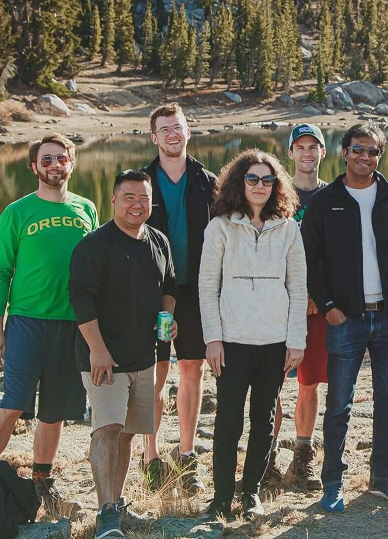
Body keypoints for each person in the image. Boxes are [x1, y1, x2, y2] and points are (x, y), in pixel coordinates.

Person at [0, 133, 97, 514]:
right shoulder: (17, 212)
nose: (55, 165)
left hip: (72, 325)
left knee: (54, 410)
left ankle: (43, 482)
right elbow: (0, 272)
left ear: (71, 163)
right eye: (47, 159)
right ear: (33, 167)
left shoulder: (87, 209)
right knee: (13, 402)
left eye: (61, 158)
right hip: (27, 322)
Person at [301, 123, 388, 513]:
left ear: (379, 156)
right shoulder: (325, 201)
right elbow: (310, 260)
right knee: (339, 404)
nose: (364, 157)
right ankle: (333, 484)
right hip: (345, 319)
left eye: (372, 151)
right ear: (344, 152)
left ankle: (383, 478)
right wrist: (328, 305)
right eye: (357, 149)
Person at [197, 149, 307, 519]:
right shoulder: (220, 227)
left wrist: (296, 341)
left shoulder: (288, 228)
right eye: (253, 178)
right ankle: (220, 498)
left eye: (267, 179)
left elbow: (298, 288)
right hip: (232, 342)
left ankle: (251, 495)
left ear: (276, 185)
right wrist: (213, 338)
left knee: (264, 421)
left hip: (275, 343)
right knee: (228, 421)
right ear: (240, 182)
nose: (260, 185)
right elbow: (207, 287)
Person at [69, 170, 177, 539]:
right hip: (105, 359)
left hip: (143, 357)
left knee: (128, 432)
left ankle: (116, 503)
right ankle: (105, 514)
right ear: (113, 200)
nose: (137, 204)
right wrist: (98, 350)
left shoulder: (158, 241)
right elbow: (80, 299)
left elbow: (169, 286)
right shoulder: (94, 245)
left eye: (144, 198)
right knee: (107, 430)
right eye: (129, 197)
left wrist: (168, 318)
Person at [141, 102, 216, 495]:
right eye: (165, 129)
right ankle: (151, 457)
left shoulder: (208, 181)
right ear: (154, 137)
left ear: (188, 131)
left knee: (192, 369)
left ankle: (187, 456)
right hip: (152, 295)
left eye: (178, 127)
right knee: (154, 375)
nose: (173, 134)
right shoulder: (141, 182)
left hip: (196, 292)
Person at [270, 123, 330, 491]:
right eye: (300, 147)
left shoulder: (332, 195)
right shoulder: (275, 195)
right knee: (270, 384)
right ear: (290, 152)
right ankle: (266, 460)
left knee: (309, 383)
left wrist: (316, 295)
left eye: (313, 146)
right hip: (277, 304)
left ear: (323, 151)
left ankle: (302, 458)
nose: (307, 153)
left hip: (318, 307)